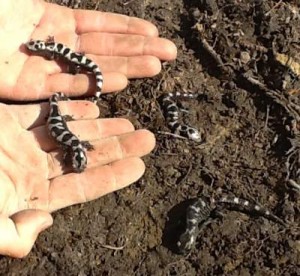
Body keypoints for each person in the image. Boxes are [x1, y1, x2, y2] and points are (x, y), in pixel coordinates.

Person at [0, 0, 177, 258]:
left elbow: (73, 144)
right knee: (59, 110)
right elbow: (73, 143)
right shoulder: (71, 146)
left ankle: (68, 94)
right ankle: (63, 97)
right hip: (59, 115)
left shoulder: (72, 146)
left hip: (61, 106)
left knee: (65, 102)